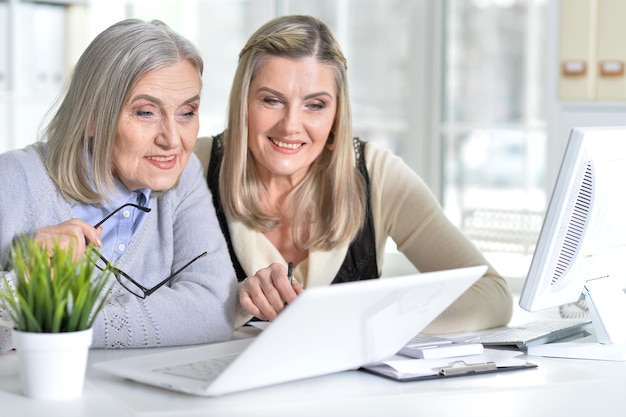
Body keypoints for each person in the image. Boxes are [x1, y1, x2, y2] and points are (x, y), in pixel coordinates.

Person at [194, 14, 513, 332]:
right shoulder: (195, 164)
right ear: (243, 103)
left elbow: (492, 295)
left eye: (315, 105)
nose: (290, 125)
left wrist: (367, 319)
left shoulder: (379, 175)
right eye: (272, 101)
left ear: (337, 114)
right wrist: (233, 301)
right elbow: (146, 301)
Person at [0, 19, 237, 352]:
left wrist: (56, 322)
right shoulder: (11, 181)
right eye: (145, 112)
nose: (172, 139)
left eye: (187, 112)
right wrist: (25, 279)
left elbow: (214, 310)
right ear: (92, 116)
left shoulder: (181, 177)